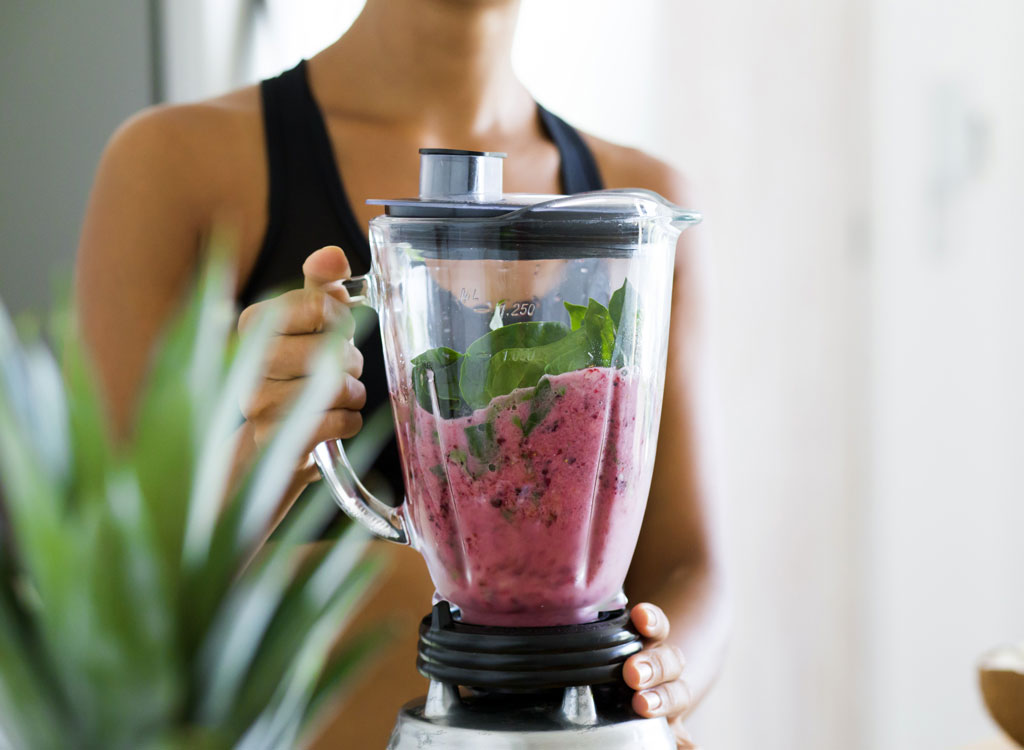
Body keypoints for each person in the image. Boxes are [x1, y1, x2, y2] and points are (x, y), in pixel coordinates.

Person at [74, 0, 729, 746]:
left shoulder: (640, 200)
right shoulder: (174, 166)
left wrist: (665, 677)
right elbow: (102, 617)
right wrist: (263, 455)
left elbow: (692, 569)